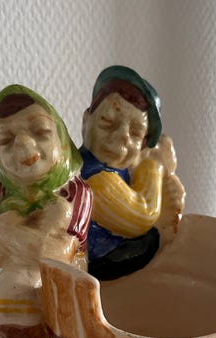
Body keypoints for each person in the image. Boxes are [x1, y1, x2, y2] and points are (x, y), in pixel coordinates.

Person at [0, 84, 92, 338]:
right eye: (6, 140)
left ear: (61, 140)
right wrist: (30, 241)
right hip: (15, 288)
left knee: (56, 329)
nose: (24, 146)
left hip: (63, 284)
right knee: (11, 306)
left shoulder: (76, 191)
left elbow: (58, 253)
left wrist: (4, 232)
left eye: (40, 132)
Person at [80, 66, 185, 280]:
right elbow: (143, 215)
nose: (121, 138)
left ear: (143, 144)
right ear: (86, 121)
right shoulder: (95, 179)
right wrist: (154, 166)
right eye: (107, 122)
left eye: (136, 133)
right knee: (152, 239)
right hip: (99, 261)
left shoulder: (115, 169)